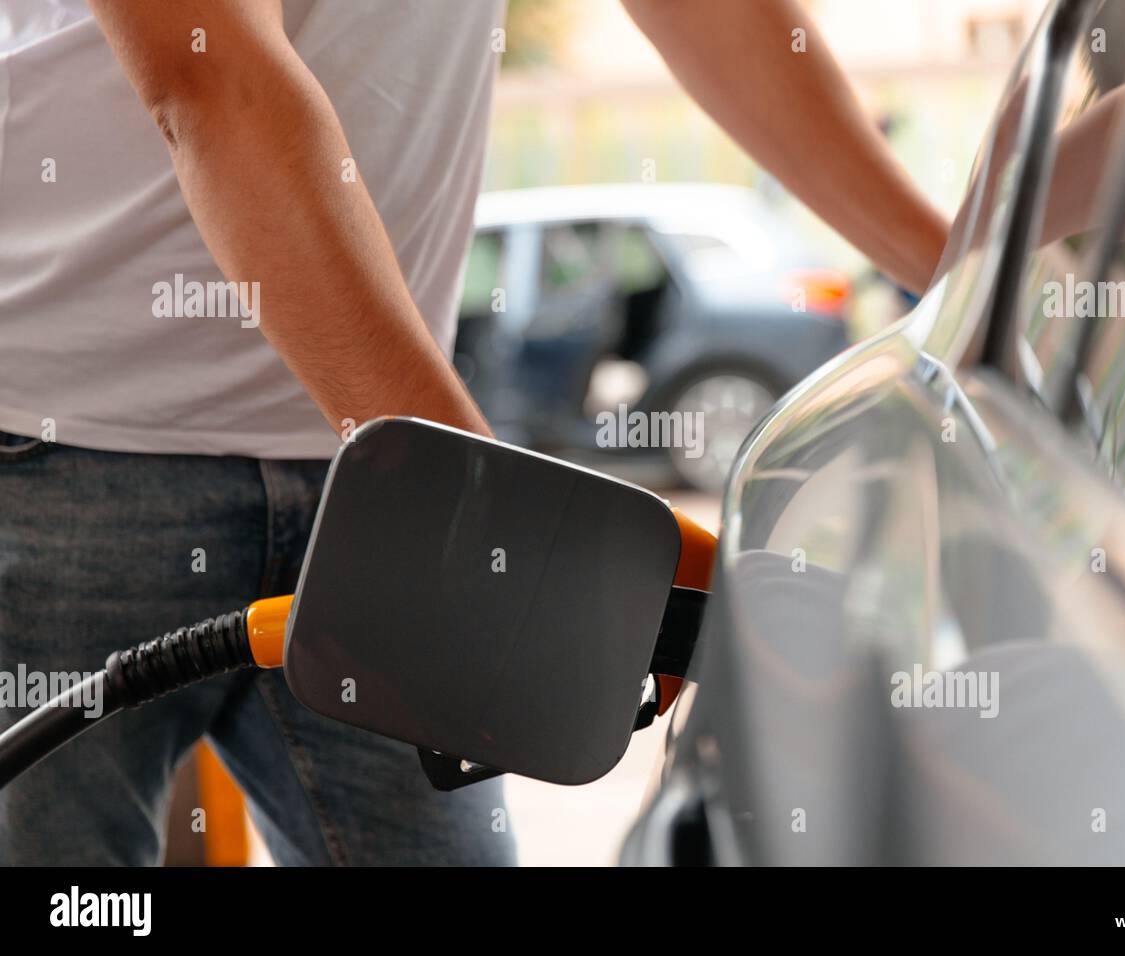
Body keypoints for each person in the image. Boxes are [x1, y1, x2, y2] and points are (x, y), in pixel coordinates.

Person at [0, 0, 947, 865]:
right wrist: (503, 520)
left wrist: (963, 272)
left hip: (372, 472)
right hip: (66, 445)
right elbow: (215, 77)